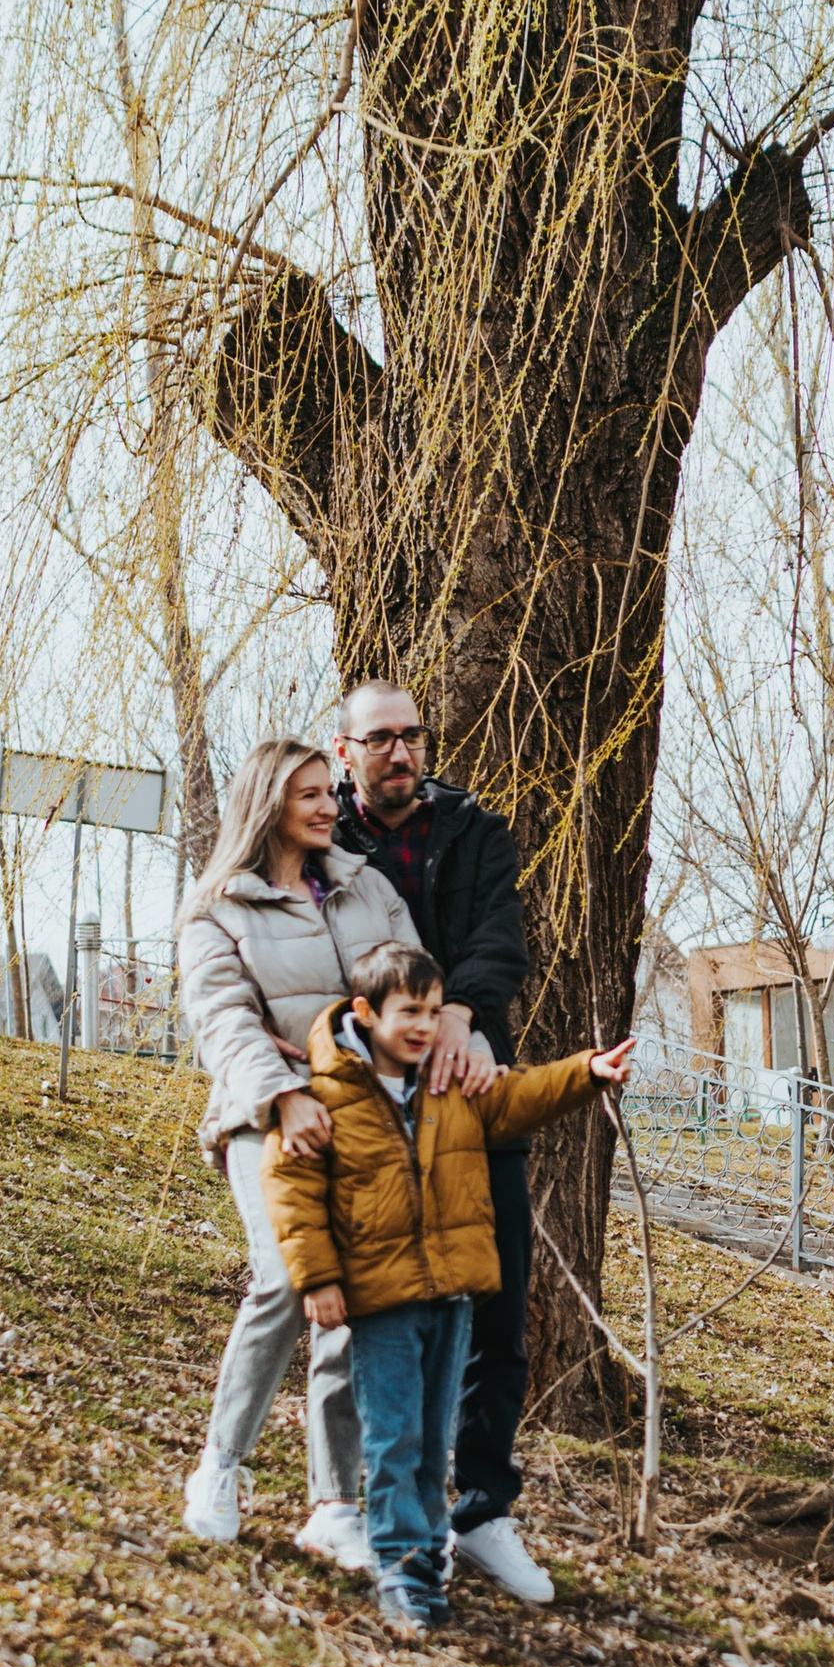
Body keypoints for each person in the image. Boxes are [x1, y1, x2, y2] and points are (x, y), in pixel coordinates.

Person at [262, 937, 633, 1633]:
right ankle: (400, 1566)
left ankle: (428, 1560)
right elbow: (292, 1189)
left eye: (434, 1011)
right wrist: (315, 1279)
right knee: (394, 1436)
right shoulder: (328, 1095)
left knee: (434, 1439)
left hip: (453, 1295)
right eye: (410, 1011)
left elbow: (519, 1097)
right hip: (382, 1303)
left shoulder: (450, 1083)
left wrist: (587, 1072)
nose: (425, 1026)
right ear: (367, 1013)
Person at [326, 682, 554, 1603]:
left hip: (466, 1084)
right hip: (370, 1111)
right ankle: (363, 1511)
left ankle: (484, 1507)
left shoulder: (474, 833)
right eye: (379, 739)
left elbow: (502, 936)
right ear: (344, 752)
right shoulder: (322, 844)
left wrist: (460, 1010)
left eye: (411, 736)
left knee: (496, 1298)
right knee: (372, 1316)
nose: (400, 752)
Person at [175, 739, 419, 1556]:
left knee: (351, 1301)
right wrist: (283, 1094)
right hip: (262, 1117)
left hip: (363, 1116)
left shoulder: (366, 887)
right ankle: (220, 1463)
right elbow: (222, 1020)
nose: (326, 807)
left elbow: (407, 986)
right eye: (308, 794)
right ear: (268, 803)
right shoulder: (217, 909)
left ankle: (333, 1506)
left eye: (328, 792)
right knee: (285, 1280)